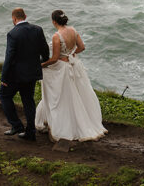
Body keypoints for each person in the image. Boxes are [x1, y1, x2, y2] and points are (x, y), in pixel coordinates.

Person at [34, 10, 107, 142]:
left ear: (54, 21)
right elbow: (82, 47)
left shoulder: (57, 36)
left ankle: (63, 126)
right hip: (73, 65)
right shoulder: (73, 30)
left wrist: (42, 65)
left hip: (62, 68)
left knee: (61, 97)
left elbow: (55, 58)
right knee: (76, 94)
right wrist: (72, 54)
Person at [0, 7, 50, 141]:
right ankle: (31, 132)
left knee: (4, 96)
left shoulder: (13, 34)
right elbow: (45, 49)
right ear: (25, 16)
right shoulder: (37, 30)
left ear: (14, 19)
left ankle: (16, 125)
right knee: (28, 101)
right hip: (32, 73)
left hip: (16, 75)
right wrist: (42, 61)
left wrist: (4, 77)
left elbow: (9, 57)